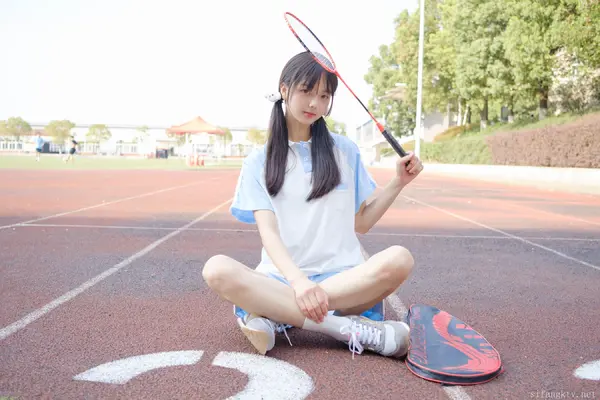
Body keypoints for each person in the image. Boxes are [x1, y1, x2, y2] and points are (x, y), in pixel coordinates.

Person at [202, 51, 424, 359]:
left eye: (324, 96)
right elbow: (269, 233)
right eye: (306, 91)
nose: (314, 104)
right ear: (284, 89)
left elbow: (362, 222)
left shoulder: (345, 150)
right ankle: (343, 329)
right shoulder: (258, 161)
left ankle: (275, 312)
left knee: (400, 259)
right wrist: (299, 283)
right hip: (283, 279)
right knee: (216, 269)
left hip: (344, 281)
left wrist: (398, 182)